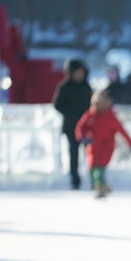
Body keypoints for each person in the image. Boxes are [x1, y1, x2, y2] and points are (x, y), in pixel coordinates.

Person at [75, 89, 131, 199]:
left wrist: (130, 144)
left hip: (106, 147)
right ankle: (102, 186)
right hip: (92, 146)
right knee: (92, 167)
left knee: (100, 168)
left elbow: (122, 131)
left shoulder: (111, 117)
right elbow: (80, 127)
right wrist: (83, 137)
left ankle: (100, 188)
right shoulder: (90, 115)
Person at [53, 59, 92, 190]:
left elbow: (92, 105)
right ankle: (75, 179)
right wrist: (71, 113)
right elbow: (57, 105)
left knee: (91, 153)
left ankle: (94, 177)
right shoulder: (64, 87)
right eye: (77, 72)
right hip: (71, 127)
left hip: (87, 127)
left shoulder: (86, 87)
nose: (79, 75)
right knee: (73, 153)